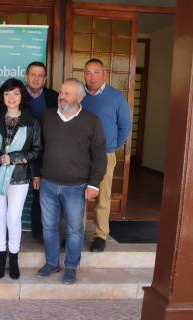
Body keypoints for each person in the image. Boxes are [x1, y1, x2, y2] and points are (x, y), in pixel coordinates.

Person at [36, 78, 106, 284]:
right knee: (49, 227)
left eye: (67, 93)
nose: (61, 97)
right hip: (48, 184)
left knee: (75, 230)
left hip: (76, 187)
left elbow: (100, 155)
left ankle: (72, 267)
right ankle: (52, 262)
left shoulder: (92, 121)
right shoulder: (48, 116)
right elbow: (39, 148)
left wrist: (94, 183)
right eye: (61, 93)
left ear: (79, 97)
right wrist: (37, 174)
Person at [0, 78, 42, 279]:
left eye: (16, 93)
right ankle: (1, 257)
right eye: (7, 94)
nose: (11, 97)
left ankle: (14, 257)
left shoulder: (32, 121)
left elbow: (36, 151)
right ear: (2, 97)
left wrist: (13, 158)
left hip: (19, 177)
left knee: (13, 218)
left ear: (22, 96)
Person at [82, 58, 132, 252]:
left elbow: (125, 126)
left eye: (96, 72)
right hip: (80, 156)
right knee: (80, 196)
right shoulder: (79, 95)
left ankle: (101, 235)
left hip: (105, 155)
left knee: (103, 195)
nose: (92, 76)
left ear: (104, 74)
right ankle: (77, 233)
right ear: (84, 75)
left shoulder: (116, 96)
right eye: (88, 72)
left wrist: (112, 146)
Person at [25, 61, 59, 240]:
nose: (36, 78)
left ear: (45, 79)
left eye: (40, 75)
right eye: (33, 74)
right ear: (27, 76)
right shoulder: (17, 95)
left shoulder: (54, 97)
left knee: (41, 194)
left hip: (46, 153)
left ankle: (39, 232)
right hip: (21, 152)